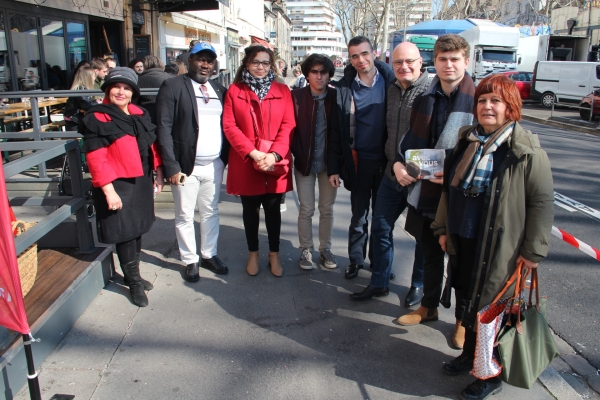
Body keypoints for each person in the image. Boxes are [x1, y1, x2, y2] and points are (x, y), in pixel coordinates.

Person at [431, 73, 554, 400]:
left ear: (510, 108)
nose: (487, 106)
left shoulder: (525, 150)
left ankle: (489, 375)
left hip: (501, 246)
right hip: (464, 236)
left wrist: (533, 251)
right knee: (466, 297)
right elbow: (449, 190)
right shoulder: (468, 139)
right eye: (482, 100)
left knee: (491, 309)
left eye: (495, 101)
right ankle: (469, 356)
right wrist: (443, 229)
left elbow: (541, 202)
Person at [394, 35, 475, 351]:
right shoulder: (425, 99)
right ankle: (428, 307)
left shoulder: (479, 97)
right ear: (435, 62)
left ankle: (461, 323)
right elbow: (408, 143)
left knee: (461, 263)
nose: (449, 64)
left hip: (463, 198)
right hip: (427, 192)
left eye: (455, 59)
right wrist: (400, 165)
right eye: (443, 59)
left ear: (465, 62)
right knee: (430, 254)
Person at [349, 42, 430, 302]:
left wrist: (412, 169)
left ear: (420, 62)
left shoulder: (432, 91)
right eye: (398, 63)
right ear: (391, 64)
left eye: (409, 61)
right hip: (391, 173)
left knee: (421, 235)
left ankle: (417, 286)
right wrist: (394, 163)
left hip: (422, 179)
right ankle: (380, 281)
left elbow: (439, 139)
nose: (404, 67)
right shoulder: (392, 89)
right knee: (381, 228)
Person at [80, 67, 164, 307]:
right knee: (125, 233)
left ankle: (131, 275)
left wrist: (158, 175)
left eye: (127, 88)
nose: (121, 91)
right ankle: (135, 284)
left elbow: (152, 147)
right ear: (107, 89)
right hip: (116, 183)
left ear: (133, 92)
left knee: (136, 230)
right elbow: (96, 158)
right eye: (116, 86)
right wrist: (108, 190)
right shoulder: (97, 117)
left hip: (140, 180)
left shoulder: (139, 113)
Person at [156, 42, 230, 283]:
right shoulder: (173, 86)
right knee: (185, 215)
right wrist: (171, 166)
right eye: (200, 59)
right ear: (190, 60)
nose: (205, 64)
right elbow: (164, 128)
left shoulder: (219, 89)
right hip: (185, 166)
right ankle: (190, 259)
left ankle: (209, 254)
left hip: (214, 164)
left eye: (209, 60)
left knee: (210, 211)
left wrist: (224, 159)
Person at [222, 45, 295, 277]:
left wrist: (273, 155)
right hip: (246, 161)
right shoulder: (235, 90)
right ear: (247, 64)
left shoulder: (283, 91)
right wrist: (253, 153)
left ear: (271, 65)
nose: (260, 67)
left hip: (274, 161)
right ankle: (253, 253)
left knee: (274, 210)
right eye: (256, 62)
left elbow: (288, 125)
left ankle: (274, 254)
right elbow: (229, 126)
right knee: (250, 210)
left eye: (265, 63)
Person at [329, 36, 396, 280]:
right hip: (358, 162)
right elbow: (336, 131)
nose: (361, 60)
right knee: (359, 216)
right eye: (354, 56)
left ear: (374, 53)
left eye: (364, 53)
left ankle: (380, 264)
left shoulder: (391, 83)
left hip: (387, 163)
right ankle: (356, 260)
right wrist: (334, 168)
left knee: (383, 218)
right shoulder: (344, 88)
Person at [290, 54, 339, 270]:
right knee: (306, 209)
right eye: (314, 72)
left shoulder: (337, 97)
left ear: (329, 75)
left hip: (329, 166)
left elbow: (340, 134)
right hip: (304, 163)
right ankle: (306, 249)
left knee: (327, 209)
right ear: (307, 74)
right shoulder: (296, 97)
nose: (319, 76)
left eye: (323, 72)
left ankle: (325, 249)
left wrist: (337, 167)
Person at [137, 55, 172, 122]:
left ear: (145, 65)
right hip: (167, 116)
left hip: (145, 117)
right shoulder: (170, 78)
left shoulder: (139, 80)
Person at [64, 66, 96, 131]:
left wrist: (96, 102)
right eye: (94, 76)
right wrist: (98, 104)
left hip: (75, 117)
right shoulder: (80, 89)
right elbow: (85, 105)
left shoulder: (80, 88)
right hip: (74, 120)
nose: (95, 78)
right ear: (88, 77)